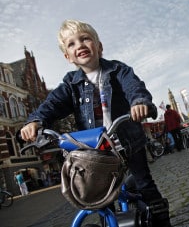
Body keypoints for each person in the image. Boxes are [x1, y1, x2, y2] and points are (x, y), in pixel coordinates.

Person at [20, 19, 171, 227]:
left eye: (85, 39)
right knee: (101, 196)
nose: (79, 45)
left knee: (145, 183)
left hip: (128, 142)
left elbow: (134, 87)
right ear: (67, 56)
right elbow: (51, 104)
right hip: (97, 149)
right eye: (71, 44)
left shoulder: (119, 70)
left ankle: (162, 220)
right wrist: (36, 121)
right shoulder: (70, 84)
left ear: (99, 47)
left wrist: (139, 103)